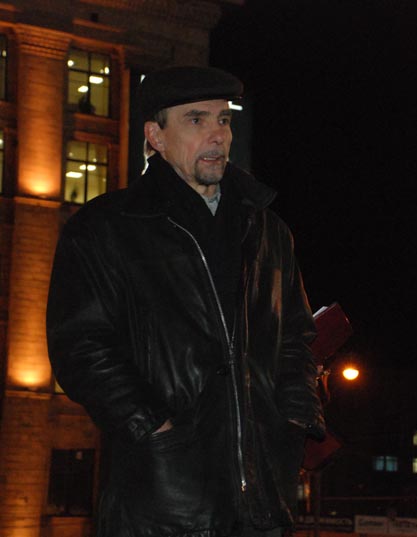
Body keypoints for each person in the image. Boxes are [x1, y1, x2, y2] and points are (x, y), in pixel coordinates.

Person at [46, 66, 324, 537]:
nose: (218, 135)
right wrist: (155, 429)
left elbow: (297, 338)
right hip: (161, 504)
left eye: (224, 120)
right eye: (196, 120)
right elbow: (80, 346)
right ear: (155, 136)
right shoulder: (106, 228)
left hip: (260, 505)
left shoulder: (267, 230)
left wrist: (294, 421)